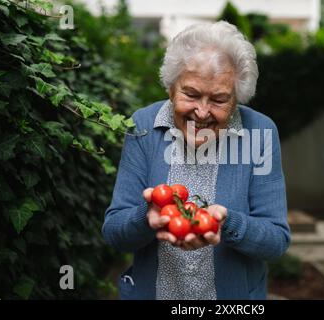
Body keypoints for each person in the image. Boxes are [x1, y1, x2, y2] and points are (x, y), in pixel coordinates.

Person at [102, 21, 290, 300]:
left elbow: (276, 242)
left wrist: (228, 223)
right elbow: (114, 233)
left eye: (219, 99)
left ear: (237, 99)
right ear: (170, 88)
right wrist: (147, 217)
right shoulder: (143, 125)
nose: (202, 112)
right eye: (190, 95)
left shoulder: (260, 132)